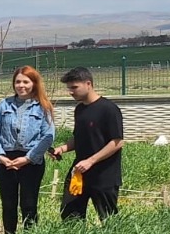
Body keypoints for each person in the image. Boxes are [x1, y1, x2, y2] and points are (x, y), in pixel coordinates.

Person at [0, 66, 57, 234]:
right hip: (7, 161)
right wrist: (0, 156)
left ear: (34, 83)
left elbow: (48, 136)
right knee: (8, 204)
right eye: (18, 82)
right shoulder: (4, 104)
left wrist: (28, 159)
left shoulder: (43, 107)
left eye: (26, 82)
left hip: (31, 161)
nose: (21, 85)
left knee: (29, 204)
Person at [51, 67, 123, 222]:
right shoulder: (80, 110)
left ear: (88, 84)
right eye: (69, 88)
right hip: (80, 173)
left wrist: (91, 161)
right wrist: (62, 148)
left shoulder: (108, 109)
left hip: (104, 176)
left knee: (108, 220)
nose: (71, 92)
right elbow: (80, 138)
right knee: (70, 215)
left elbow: (117, 142)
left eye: (74, 87)